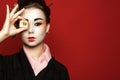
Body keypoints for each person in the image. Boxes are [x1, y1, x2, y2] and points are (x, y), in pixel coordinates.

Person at [0, 0, 70, 80]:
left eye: (37, 24)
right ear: (18, 26)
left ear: (47, 27)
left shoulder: (60, 71)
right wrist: (3, 33)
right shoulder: (5, 64)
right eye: (24, 23)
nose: (31, 30)